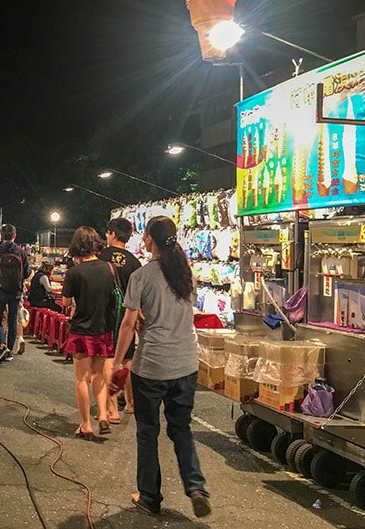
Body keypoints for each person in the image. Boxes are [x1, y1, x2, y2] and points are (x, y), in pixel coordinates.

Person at [112, 216, 210, 518]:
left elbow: (128, 324)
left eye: (145, 237)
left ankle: (150, 496)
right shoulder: (185, 273)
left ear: (150, 241)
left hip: (152, 365)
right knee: (181, 428)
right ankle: (195, 486)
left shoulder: (142, 276)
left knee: (147, 431)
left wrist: (117, 363)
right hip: (185, 363)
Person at [61, 226, 121, 438]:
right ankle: (103, 414)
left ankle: (86, 424)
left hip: (82, 330)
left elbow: (66, 302)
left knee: (81, 379)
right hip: (103, 329)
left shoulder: (74, 273)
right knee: (99, 375)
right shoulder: (109, 268)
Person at [99, 217, 142, 416]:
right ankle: (131, 403)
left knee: (109, 358)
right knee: (127, 359)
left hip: (107, 313)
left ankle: (112, 406)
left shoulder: (101, 256)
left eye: (108, 233)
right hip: (128, 314)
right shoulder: (135, 262)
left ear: (113, 234)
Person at [0, 224, 30, 362]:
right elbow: (27, 272)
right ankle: (10, 351)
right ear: (14, 236)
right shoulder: (20, 252)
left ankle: (2, 344)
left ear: (1, 236)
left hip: (0, 290)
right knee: (12, 320)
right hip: (16, 291)